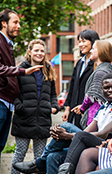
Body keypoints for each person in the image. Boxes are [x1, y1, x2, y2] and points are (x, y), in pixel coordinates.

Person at [13, 73, 112, 174]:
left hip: (109, 144)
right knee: (52, 157)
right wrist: (64, 135)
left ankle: (39, 163)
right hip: (92, 141)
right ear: (101, 89)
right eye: (107, 88)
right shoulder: (103, 107)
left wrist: (68, 135)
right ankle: (43, 161)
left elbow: (104, 134)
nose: (110, 90)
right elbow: (87, 132)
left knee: (66, 126)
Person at [10, 39, 60, 174]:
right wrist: (20, 107)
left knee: (40, 159)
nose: (39, 53)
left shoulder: (48, 71)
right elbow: (13, 93)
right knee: (19, 154)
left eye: (42, 51)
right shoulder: (21, 70)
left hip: (43, 120)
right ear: (30, 52)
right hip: (23, 120)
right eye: (36, 50)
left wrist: (54, 108)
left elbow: (53, 94)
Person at [0, 9, 43, 158]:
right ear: (4, 24)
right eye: (15, 22)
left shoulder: (8, 43)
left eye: (19, 22)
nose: (19, 26)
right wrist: (23, 72)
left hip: (7, 103)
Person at [72, 40, 112, 129]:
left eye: (93, 49)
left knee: (64, 128)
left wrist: (82, 108)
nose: (90, 51)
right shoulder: (107, 68)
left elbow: (92, 95)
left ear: (101, 52)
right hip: (100, 117)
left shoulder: (100, 72)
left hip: (95, 118)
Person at [62, 29, 100, 129]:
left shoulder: (97, 64)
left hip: (88, 111)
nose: (80, 45)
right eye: (79, 42)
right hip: (74, 110)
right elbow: (72, 87)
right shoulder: (79, 63)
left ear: (93, 42)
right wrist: (67, 109)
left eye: (84, 41)